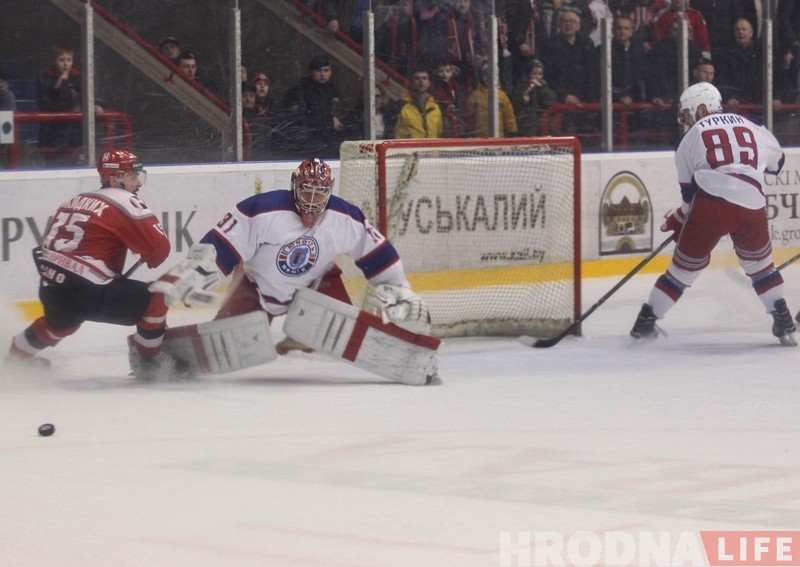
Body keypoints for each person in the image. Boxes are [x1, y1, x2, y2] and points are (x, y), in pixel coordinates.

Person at [149, 157, 430, 355]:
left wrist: (400, 289)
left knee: (345, 333)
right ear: (295, 185)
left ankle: (302, 334)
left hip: (318, 287)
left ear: (330, 191)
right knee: (223, 346)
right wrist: (193, 275)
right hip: (256, 288)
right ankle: (161, 352)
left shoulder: (344, 217)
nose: (312, 200)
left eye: (320, 193)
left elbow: (377, 253)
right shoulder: (261, 209)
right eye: (307, 191)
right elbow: (222, 245)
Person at [629, 82, 797, 346]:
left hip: (710, 203)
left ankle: (645, 322)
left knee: (682, 270)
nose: (686, 120)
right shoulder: (752, 124)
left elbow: (689, 195)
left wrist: (681, 218)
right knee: (761, 266)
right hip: (751, 203)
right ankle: (782, 317)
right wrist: (746, 166)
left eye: (688, 113)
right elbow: (778, 163)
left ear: (702, 108)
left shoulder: (689, 138)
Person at [5, 150, 190, 379]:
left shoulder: (74, 200)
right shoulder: (125, 199)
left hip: (51, 285)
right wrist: (150, 255)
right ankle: (149, 359)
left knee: (62, 324)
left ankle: (15, 360)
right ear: (113, 178)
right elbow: (158, 250)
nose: (138, 184)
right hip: (88, 289)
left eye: (139, 176)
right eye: (132, 177)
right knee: (159, 295)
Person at [36, 45, 104, 165]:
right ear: (53, 61)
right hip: (54, 134)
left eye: (69, 60)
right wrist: (60, 85)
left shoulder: (78, 78)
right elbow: (47, 103)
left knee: (76, 162)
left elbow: (89, 94)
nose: (66, 64)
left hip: (76, 133)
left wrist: (97, 104)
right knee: (55, 165)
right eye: (61, 60)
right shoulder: (45, 78)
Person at [276, 55, 348, 159]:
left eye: (326, 70)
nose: (323, 74)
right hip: (308, 143)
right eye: (319, 71)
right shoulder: (300, 90)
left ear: (331, 72)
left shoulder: (334, 90)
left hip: (331, 142)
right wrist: (329, 121)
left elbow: (344, 111)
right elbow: (301, 117)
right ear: (311, 72)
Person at [465, 64, 518, 137]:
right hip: (480, 137)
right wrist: (470, 130)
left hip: (498, 137)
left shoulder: (502, 96)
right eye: (485, 75)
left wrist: (512, 130)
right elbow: (469, 116)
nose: (488, 78)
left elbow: (509, 115)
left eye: (491, 76)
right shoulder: (475, 95)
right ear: (481, 77)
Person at [393, 67, 444, 138]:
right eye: (417, 78)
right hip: (408, 145)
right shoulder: (400, 105)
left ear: (429, 83)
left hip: (431, 145)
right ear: (411, 83)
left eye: (424, 78)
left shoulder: (435, 107)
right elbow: (393, 132)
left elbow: (439, 132)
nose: (421, 81)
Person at [512, 58, 557, 136]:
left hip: (543, 121)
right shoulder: (522, 87)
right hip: (526, 123)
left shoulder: (544, 86)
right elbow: (516, 104)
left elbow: (552, 100)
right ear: (528, 74)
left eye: (540, 74)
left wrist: (542, 88)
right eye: (534, 74)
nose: (537, 77)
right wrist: (523, 100)